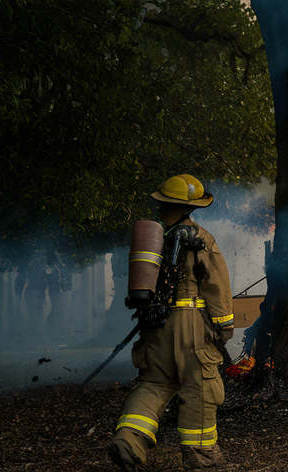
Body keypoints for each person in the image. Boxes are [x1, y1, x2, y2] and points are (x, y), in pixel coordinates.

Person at [109, 174, 234, 471]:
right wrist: (224, 326)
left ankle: (128, 440)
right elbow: (216, 285)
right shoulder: (201, 238)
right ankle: (200, 454)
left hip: (155, 324)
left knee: (153, 383)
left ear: (163, 204)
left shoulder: (151, 240)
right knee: (199, 385)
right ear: (190, 208)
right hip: (190, 325)